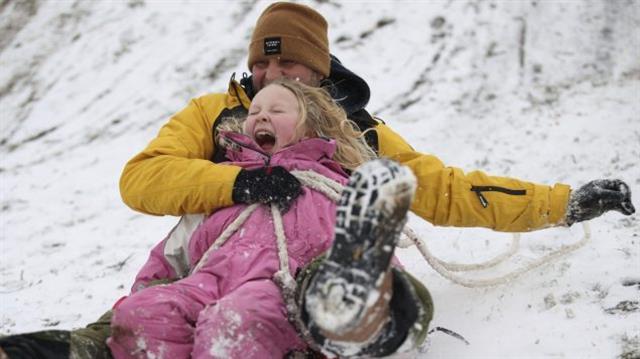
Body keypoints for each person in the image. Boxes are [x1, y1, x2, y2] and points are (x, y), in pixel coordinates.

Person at [0, 2, 634, 358]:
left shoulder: (357, 134)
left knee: (330, 290)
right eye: (262, 61)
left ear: (320, 66)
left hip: (306, 258)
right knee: (129, 328)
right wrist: (236, 185)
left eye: (289, 59)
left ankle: (363, 312)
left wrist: (560, 204)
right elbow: (143, 178)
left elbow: (443, 188)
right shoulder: (218, 118)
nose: (273, 71)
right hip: (212, 260)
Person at [107, 78, 425, 358]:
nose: (261, 115)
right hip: (208, 285)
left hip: (282, 293)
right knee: (144, 312)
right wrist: (148, 287)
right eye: (255, 110)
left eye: (277, 110)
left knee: (234, 320)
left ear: (311, 126)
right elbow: (177, 246)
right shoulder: (228, 183)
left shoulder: (330, 189)